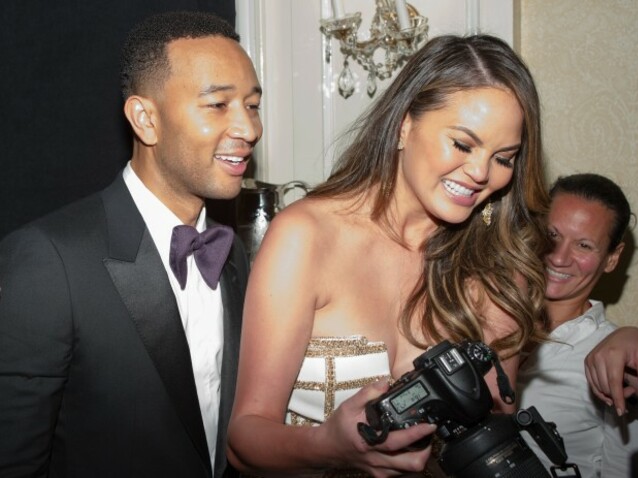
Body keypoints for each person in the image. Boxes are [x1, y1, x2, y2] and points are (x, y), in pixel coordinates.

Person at [227, 34, 549, 477]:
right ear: (405, 125)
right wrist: (328, 446)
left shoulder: (500, 274)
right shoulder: (307, 237)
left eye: (504, 158)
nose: (480, 174)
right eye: (462, 144)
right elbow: (245, 438)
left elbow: (488, 450)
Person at [0, 11, 261, 477]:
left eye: (253, 105)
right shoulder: (48, 260)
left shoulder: (232, 253)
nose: (249, 129)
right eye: (219, 105)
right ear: (146, 119)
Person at [517, 173, 638, 476]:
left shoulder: (615, 358)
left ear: (612, 258)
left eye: (584, 245)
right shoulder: (482, 317)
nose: (559, 258)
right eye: (551, 234)